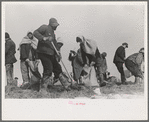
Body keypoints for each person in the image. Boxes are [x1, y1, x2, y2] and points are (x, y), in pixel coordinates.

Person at [33, 18, 71, 92]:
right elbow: (35, 32)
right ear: (52, 24)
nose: (56, 26)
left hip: (51, 54)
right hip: (43, 53)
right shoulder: (45, 27)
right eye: (55, 25)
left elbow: (55, 44)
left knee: (58, 68)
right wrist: (44, 38)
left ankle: (67, 85)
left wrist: (58, 53)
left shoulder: (53, 33)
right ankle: (43, 89)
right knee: (48, 69)